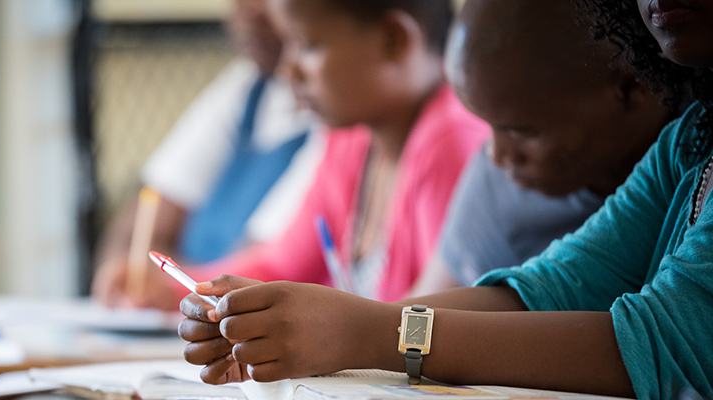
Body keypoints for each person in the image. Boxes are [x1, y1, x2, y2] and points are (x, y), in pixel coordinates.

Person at [176, 0, 713, 398]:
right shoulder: (692, 140)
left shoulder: (443, 143)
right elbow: (550, 287)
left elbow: (664, 343)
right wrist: (308, 328)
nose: (496, 159)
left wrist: (369, 332)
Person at [146, 0, 488, 309]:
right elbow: (280, 266)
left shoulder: (450, 142)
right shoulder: (351, 140)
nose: (287, 70)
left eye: (307, 45)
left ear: (393, 39)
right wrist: (175, 288)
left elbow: (439, 316)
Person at [407, 0, 681, 296]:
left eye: (522, 132)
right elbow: (419, 315)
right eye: (490, 126)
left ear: (632, 86)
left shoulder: (698, 168)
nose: (497, 156)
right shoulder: (496, 195)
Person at [91, 0, 323, 309]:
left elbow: (265, 276)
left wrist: (167, 289)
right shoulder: (245, 86)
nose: (247, 12)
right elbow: (135, 232)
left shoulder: (338, 127)